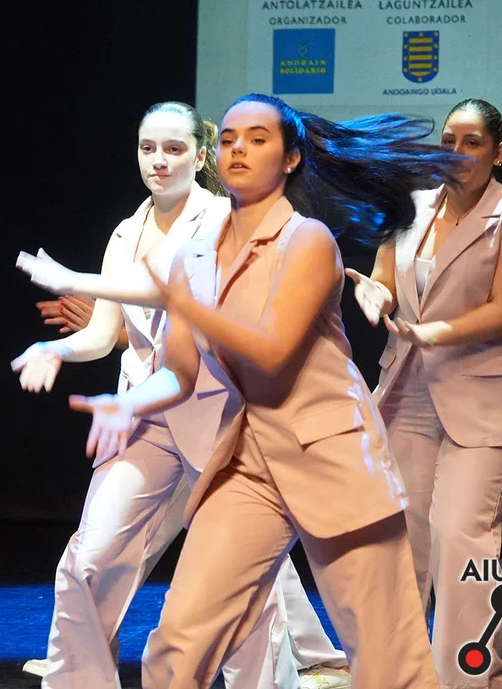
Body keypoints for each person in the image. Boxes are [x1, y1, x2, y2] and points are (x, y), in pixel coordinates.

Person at [24, 94, 464, 688]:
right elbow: (179, 372)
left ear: (290, 158)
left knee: (390, 661)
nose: (238, 150)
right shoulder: (192, 257)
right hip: (249, 459)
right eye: (229, 139)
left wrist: (182, 300)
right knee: (178, 647)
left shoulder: (307, 240)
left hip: (332, 454)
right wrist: (127, 402)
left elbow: (272, 353)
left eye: (257, 139)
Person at [346, 97, 502, 687]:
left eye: (471, 142)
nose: (457, 152)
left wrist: (433, 332)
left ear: (497, 153)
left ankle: (471, 677)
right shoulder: (412, 207)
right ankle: (403, 673)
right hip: (408, 392)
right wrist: (374, 294)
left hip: (482, 400)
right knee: (405, 538)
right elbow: (386, 280)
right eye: (448, 141)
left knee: (460, 535)